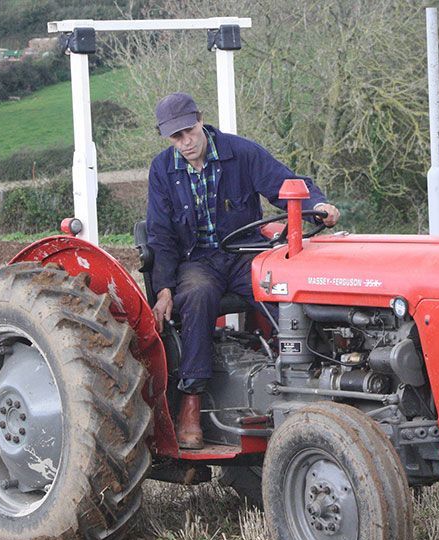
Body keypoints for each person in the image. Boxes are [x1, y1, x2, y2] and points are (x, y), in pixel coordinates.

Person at [145, 92, 340, 450]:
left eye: (189, 131)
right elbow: (161, 234)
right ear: (167, 137)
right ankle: (192, 399)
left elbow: (284, 185)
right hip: (196, 261)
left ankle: (300, 373)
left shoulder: (241, 153)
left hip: (240, 254)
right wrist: (164, 289)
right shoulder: (162, 170)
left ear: (200, 120)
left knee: (280, 287)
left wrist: (316, 205)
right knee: (199, 294)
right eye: (176, 137)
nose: (185, 142)